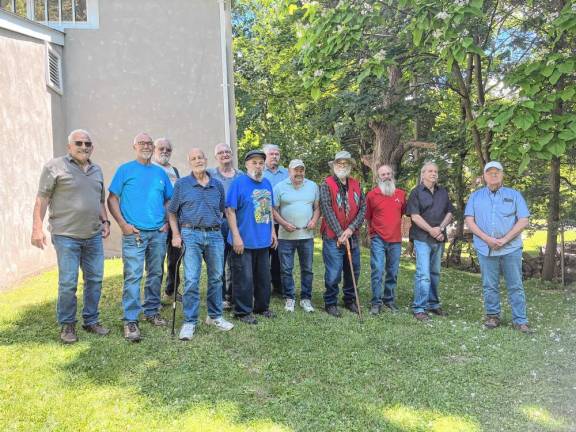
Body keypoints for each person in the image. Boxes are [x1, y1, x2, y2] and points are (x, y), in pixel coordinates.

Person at [31, 129, 110, 344]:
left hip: (93, 235)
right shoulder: (54, 167)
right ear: (69, 146)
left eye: (87, 143)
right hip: (66, 235)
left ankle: (91, 320)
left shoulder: (97, 170)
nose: (83, 146)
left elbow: (99, 200)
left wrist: (105, 221)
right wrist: (37, 228)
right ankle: (67, 325)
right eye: (79, 143)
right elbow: (42, 199)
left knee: (94, 280)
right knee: (68, 282)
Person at [108, 133, 173, 342]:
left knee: (155, 273)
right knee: (134, 275)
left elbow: (168, 201)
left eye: (149, 143)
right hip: (133, 234)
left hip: (157, 234)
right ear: (134, 146)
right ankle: (130, 320)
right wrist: (123, 225)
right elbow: (112, 199)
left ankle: (152, 311)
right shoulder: (125, 170)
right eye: (142, 143)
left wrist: (165, 223)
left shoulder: (160, 173)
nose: (146, 146)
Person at [168, 148, 234, 340]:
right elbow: (172, 212)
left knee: (216, 278)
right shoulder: (182, 184)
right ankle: (190, 322)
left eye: (200, 157)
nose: (198, 161)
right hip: (190, 235)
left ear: (206, 160)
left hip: (214, 235)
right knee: (191, 279)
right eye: (194, 158)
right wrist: (176, 234)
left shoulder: (217, 185)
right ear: (190, 162)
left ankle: (214, 316)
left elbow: (222, 211)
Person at [464, 161, 531, 333]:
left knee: (515, 284)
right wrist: (487, 239)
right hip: (485, 247)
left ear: (502, 175)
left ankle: (520, 320)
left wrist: (506, 239)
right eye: (490, 172)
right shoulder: (475, 197)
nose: (493, 175)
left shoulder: (514, 195)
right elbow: (469, 220)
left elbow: (523, 219)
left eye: (497, 172)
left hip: (511, 248)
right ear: (484, 176)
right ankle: (492, 316)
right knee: (489, 284)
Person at [226, 149, 277, 324]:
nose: (258, 166)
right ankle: (242, 311)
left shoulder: (267, 184)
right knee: (244, 278)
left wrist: (272, 232)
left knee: (264, 277)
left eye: (261, 163)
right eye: (254, 162)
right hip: (243, 241)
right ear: (247, 165)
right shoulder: (238, 183)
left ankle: (262, 307)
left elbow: (269, 209)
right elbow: (230, 210)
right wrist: (236, 236)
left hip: (263, 240)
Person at [319, 151, 366, 317]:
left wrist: (350, 229)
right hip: (333, 237)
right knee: (334, 272)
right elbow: (327, 209)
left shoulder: (357, 185)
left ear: (351, 167)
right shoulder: (326, 184)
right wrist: (340, 233)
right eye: (339, 163)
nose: (342, 166)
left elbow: (362, 209)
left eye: (346, 163)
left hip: (352, 235)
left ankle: (349, 300)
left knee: (353, 269)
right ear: (334, 166)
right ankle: (330, 302)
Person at [406, 161, 454, 321]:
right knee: (423, 274)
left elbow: (449, 213)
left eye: (436, 171)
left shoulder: (443, 192)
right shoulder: (416, 192)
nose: (433, 174)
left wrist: (440, 229)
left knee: (435, 273)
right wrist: (431, 230)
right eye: (430, 171)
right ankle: (419, 308)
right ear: (423, 174)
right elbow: (415, 216)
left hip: (439, 238)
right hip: (422, 238)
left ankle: (433, 304)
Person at [272, 159, 320, 313]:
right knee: (286, 269)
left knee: (307, 269)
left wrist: (313, 220)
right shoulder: (279, 187)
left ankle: (306, 299)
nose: (299, 173)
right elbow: (273, 209)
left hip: (306, 236)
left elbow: (317, 208)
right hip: (285, 236)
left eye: (301, 170)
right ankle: (290, 298)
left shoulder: (312, 186)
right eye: (296, 170)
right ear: (289, 171)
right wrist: (284, 223)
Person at [366, 164, 406, 315]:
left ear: (392, 175)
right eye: (383, 174)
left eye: (389, 173)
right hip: (378, 238)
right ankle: (376, 302)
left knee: (393, 271)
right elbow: (368, 217)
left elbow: (400, 214)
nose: (386, 176)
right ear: (378, 177)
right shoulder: (371, 195)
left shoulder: (401, 194)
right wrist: (373, 233)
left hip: (395, 240)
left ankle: (389, 300)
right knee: (377, 270)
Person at [207, 143, 243, 309]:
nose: (224, 154)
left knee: (236, 260)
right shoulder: (210, 174)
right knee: (218, 260)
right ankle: (220, 297)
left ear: (232, 154)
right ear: (216, 157)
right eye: (220, 153)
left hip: (237, 222)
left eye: (227, 151)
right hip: (218, 223)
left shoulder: (241, 175)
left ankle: (234, 295)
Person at [152, 138, 182, 303]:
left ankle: (171, 292)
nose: (164, 151)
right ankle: (154, 298)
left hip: (175, 223)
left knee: (175, 260)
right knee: (156, 262)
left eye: (168, 149)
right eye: (161, 148)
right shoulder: (150, 169)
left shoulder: (175, 171)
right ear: (155, 149)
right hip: (157, 224)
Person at [263, 144, 289, 296]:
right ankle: (263, 286)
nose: (274, 156)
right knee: (264, 255)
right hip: (264, 222)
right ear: (265, 156)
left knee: (279, 256)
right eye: (271, 154)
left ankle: (278, 287)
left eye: (277, 154)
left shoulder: (286, 173)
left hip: (281, 221)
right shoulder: (260, 173)